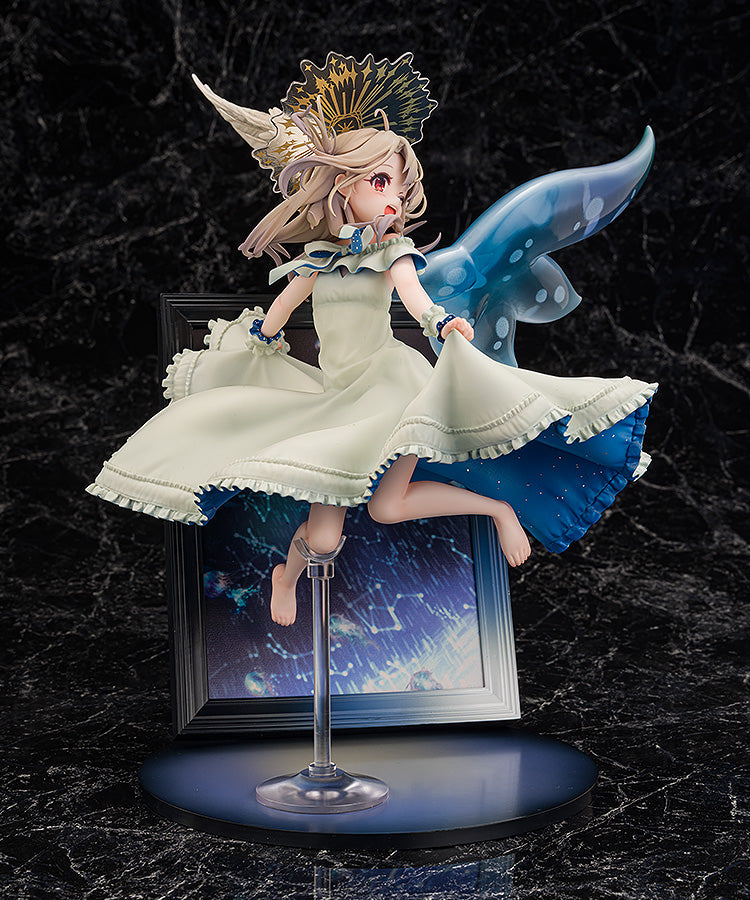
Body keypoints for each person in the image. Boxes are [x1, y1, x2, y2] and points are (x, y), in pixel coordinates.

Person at [87, 53, 657, 626]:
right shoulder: (318, 259)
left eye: (400, 188)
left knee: (387, 507)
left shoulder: (391, 253)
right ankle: (288, 574)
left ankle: (499, 510)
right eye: (381, 181)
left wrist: (441, 324)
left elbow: (415, 298)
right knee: (328, 535)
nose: (393, 199)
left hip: (391, 386)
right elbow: (285, 303)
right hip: (339, 395)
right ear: (344, 182)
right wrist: (261, 336)